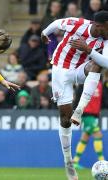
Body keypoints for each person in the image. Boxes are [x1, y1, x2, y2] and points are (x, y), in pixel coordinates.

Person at [41, 11, 108, 180]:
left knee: (98, 65)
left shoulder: (106, 39)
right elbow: (57, 23)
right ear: (100, 26)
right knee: (64, 117)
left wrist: (88, 49)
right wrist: (44, 33)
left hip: (80, 69)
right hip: (61, 70)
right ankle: (68, 162)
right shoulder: (78, 24)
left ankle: (80, 110)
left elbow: (106, 62)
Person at [73, 82, 104, 169]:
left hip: (94, 114)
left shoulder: (100, 84)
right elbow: (77, 98)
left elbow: (101, 99)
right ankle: (102, 161)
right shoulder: (84, 83)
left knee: (85, 137)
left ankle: (74, 161)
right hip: (86, 113)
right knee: (98, 134)